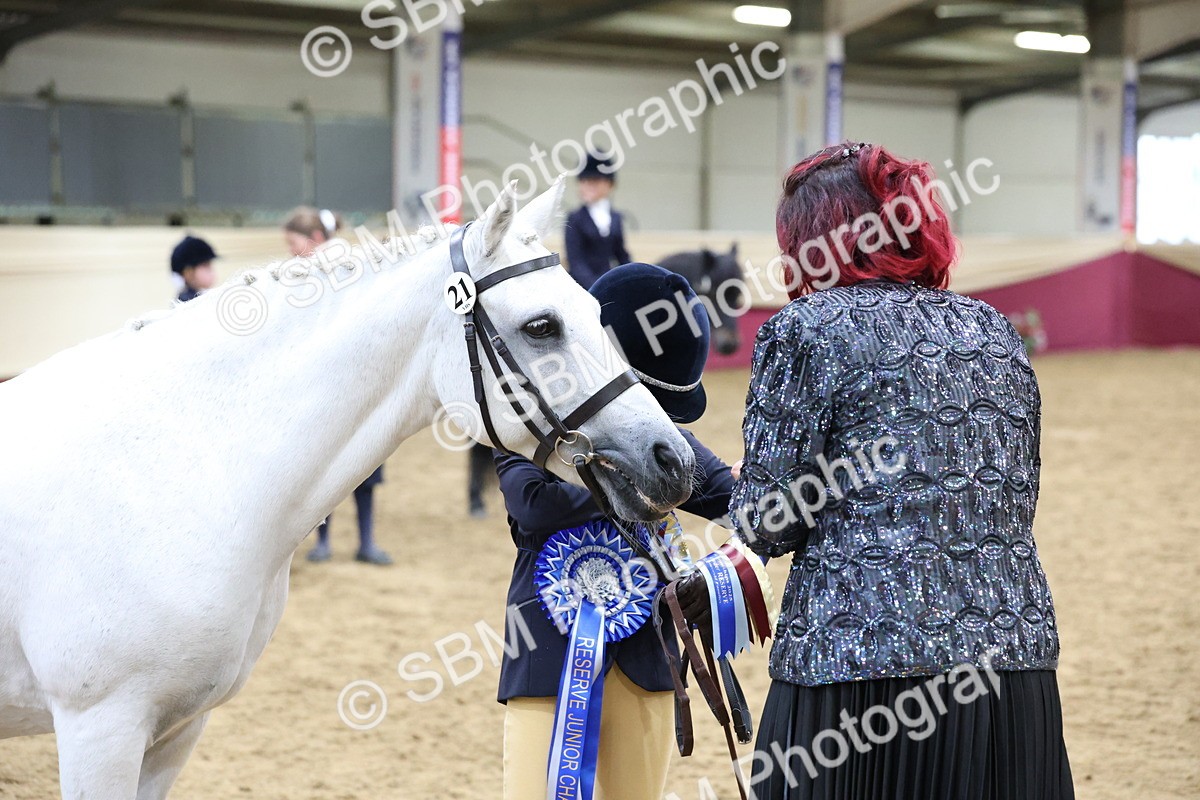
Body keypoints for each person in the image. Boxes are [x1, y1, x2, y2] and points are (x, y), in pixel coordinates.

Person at [713, 142, 1073, 799]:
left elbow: (768, 521)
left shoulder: (805, 330)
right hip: (1011, 657)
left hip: (857, 668)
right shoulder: (994, 330)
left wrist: (747, 485)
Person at [494, 263, 735, 800]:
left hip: (649, 652)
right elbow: (534, 506)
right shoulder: (527, 418)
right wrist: (630, 476)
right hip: (548, 647)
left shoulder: (660, 441)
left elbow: (734, 499)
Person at [284, 207, 392, 566]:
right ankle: (346, 541)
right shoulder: (306, 275)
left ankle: (351, 541)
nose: (291, 251)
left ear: (316, 238)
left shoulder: (342, 269)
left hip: (352, 384)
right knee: (329, 467)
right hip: (331, 386)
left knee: (355, 464)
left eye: (294, 243)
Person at [564, 154, 631, 290]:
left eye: (595, 181)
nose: (589, 186)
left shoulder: (616, 218)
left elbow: (621, 255)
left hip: (607, 281)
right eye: (584, 181)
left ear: (609, 184)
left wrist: (634, 276)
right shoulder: (575, 218)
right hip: (581, 286)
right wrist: (597, 287)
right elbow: (575, 262)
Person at [170, 235, 218, 303]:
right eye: (205, 265)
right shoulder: (189, 302)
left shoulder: (200, 296)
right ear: (188, 272)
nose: (210, 270)